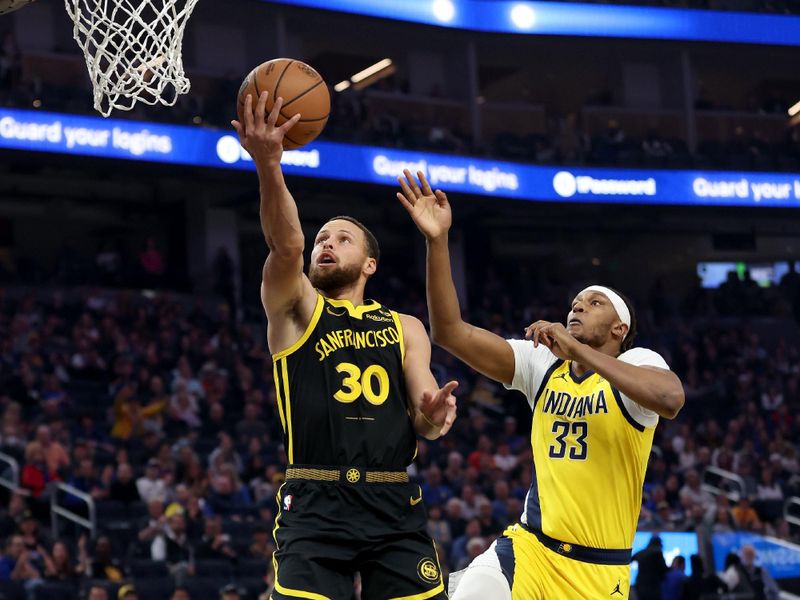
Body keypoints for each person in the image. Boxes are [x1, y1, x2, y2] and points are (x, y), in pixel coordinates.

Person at [397, 169, 684, 599]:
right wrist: (437, 242)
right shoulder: (542, 363)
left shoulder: (637, 363)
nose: (578, 307)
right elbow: (451, 332)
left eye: (594, 303)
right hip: (529, 550)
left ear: (620, 328)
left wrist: (575, 348)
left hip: (599, 570)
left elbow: (670, 398)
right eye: (575, 303)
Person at [231, 91, 458, 598]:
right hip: (315, 498)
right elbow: (286, 243)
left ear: (370, 264)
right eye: (323, 238)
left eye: (342, 238)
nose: (326, 243)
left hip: (391, 500)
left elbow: (424, 419)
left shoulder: (405, 327)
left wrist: (435, 413)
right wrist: (270, 165)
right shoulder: (297, 307)